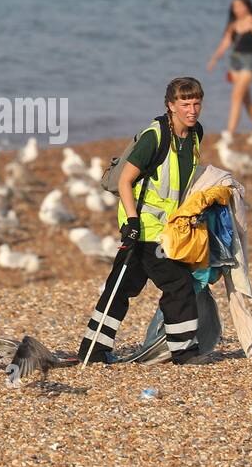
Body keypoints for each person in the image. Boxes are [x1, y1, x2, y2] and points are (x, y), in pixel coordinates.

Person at [78, 77, 207, 365]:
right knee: (178, 284)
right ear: (170, 105)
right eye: (185, 104)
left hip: (168, 229)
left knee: (121, 286)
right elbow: (125, 181)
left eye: (196, 103)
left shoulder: (195, 133)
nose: (192, 110)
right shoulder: (155, 135)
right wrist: (133, 224)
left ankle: (92, 351)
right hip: (145, 229)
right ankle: (184, 353)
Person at [206, 0, 252, 144]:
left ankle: (229, 134)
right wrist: (214, 58)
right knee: (245, 99)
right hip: (234, 63)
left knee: (236, 95)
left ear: (247, 6)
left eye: (240, 6)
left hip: (249, 64)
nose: (237, 9)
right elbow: (225, 43)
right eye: (234, 7)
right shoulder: (233, 25)